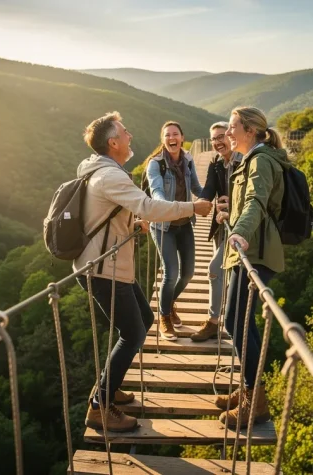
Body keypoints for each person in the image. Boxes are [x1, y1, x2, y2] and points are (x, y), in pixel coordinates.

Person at [75, 112, 212, 432]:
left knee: (146, 321)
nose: (130, 135)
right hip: (103, 269)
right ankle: (100, 406)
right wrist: (194, 208)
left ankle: (110, 388)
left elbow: (111, 212)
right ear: (113, 142)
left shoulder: (102, 170)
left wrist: (132, 223)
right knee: (133, 333)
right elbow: (150, 205)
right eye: (124, 132)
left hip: (113, 266)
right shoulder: (110, 176)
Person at [214, 106, 290, 429]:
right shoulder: (252, 159)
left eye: (232, 128)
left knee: (235, 319)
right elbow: (248, 202)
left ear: (249, 131)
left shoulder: (260, 161)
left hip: (255, 250)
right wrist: (228, 216)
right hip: (249, 247)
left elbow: (257, 203)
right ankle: (250, 390)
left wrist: (240, 234)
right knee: (241, 322)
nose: (228, 133)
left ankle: (254, 400)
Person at [145, 121, 204, 341]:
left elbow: (197, 188)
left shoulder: (188, 160)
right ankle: (164, 316)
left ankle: (167, 302)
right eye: (167, 135)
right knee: (171, 273)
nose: (172, 137)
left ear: (182, 138)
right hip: (163, 226)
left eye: (175, 134)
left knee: (188, 274)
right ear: (163, 140)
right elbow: (156, 191)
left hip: (185, 223)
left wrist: (218, 196)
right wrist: (166, 207)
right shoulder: (155, 164)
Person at [190, 122, 242, 342]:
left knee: (215, 269)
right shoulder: (216, 162)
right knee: (221, 273)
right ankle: (225, 319)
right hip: (221, 225)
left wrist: (234, 202)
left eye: (222, 136)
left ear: (231, 135)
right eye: (214, 139)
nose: (218, 142)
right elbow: (209, 189)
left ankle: (215, 322)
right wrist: (198, 203)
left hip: (241, 228)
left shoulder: (245, 161)